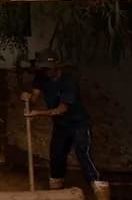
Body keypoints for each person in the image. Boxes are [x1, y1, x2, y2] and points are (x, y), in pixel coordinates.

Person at [21, 49, 110, 200]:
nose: (45, 71)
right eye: (43, 68)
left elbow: (62, 109)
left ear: (57, 67)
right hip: (61, 126)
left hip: (78, 124)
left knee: (83, 154)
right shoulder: (41, 77)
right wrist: (27, 98)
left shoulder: (68, 81)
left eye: (48, 68)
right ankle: (56, 193)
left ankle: (101, 193)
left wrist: (38, 113)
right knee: (56, 156)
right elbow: (34, 97)